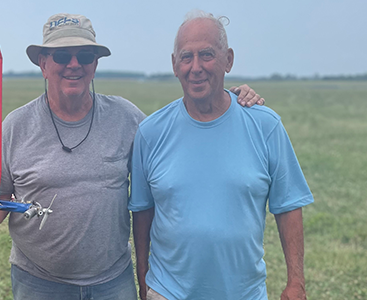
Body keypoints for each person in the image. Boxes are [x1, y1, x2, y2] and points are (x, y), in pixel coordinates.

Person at [0, 13, 263, 300]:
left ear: (95, 65)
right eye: (62, 57)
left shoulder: (127, 119)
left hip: (112, 281)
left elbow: (179, 133)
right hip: (38, 282)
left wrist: (231, 100)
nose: (74, 65)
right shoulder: (15, 127)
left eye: (85, 56)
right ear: (43, 64)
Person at [129, 10, 314, 300]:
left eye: (207, 54)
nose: (196, 67)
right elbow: (142, 212)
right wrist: (144, 283)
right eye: (186, 57)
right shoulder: (150, 132)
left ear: (228, 59)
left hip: (244, 293)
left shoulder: (265, 125)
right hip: (167, 292)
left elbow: (288, 206)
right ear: (174, 65)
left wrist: (296, 283)